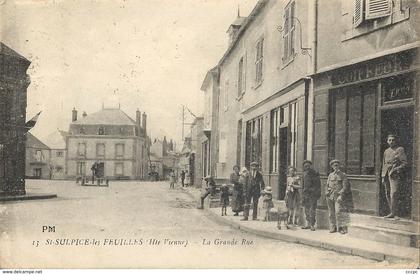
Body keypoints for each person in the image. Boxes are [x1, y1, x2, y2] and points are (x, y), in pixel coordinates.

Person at [381, 134, 408, 219]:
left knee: (394, 193)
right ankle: (391, 212)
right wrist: (382, 176)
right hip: (386, 174)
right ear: (387, 141)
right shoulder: (386, 151)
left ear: (395, 141)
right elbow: (384, 164)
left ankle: (395, 213)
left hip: (394, 174)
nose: (391, 141)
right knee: (388, 193)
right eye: (389, 140)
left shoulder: (400, 149)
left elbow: (405, 163)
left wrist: (396, 169)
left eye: (393, 140)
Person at [326, 159, 353, 234]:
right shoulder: (330, 175)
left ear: (339, 166)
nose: (336, 166)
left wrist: (341, 195)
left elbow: (345, 187)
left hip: (338, 196)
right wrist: (327, 192)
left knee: (338, 212)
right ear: (332, 166)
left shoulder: (343, 175)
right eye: (334, 165)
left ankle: (340, 227)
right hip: (330, 196)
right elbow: (327, 185)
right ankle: (332, 226)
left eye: (337, 165)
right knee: (331, 213)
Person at [301, 160, 321, 231]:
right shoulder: (303, 174)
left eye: (308, 166)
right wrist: (302, 195)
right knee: (306, 210)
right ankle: (308, 224)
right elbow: (302, 185)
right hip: (305, 194)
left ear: (311, 166)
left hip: (312, 195)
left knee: (312, 210)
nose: (307, 167)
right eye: (305, 166)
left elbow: (318, 185)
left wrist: (317, 194)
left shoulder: (315, 173)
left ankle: (312, 225)